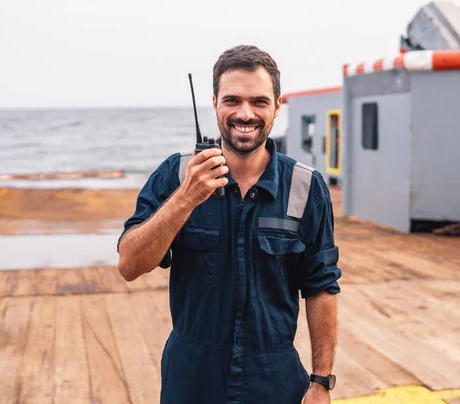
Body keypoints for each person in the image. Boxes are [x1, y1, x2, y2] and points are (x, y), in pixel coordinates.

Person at [117, 44, 341, 404]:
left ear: (277, 107)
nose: (245, 113)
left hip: (275, 379)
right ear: (215, 103)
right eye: (232, 100)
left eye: (259, 101)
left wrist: (320, 381)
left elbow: (321, 287)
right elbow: (130, 265)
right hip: (191, 376)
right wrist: (186, 197)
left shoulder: (305, 186)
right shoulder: (176, 174)